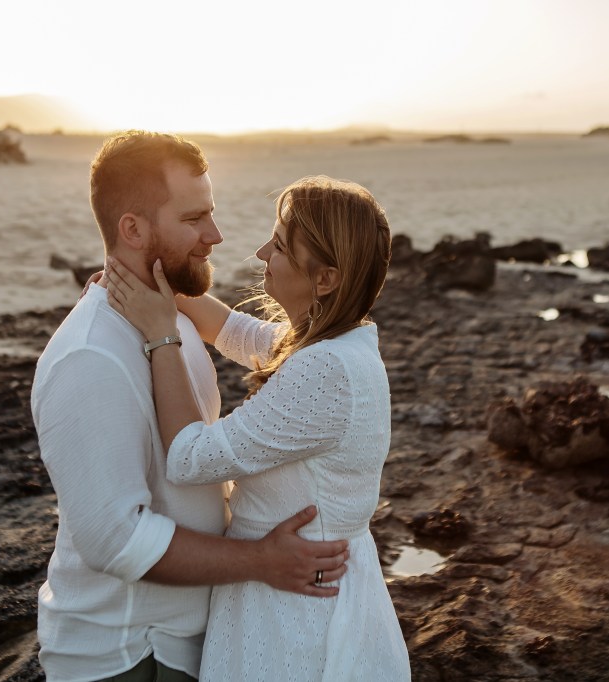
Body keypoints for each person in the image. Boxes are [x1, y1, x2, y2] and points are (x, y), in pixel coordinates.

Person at [30, 132, 350, 682]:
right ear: (133, 228)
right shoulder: (89, 357)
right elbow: (115, 540)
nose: (216, 236)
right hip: (127, 654)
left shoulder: (171, 319)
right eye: (195, 218)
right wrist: (262, 562)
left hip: (185, 640)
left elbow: (256, 338)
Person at [105, 175, 411, 680]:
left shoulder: (325, 371)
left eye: (282, 245)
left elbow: (188, 456)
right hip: (300, 583)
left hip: (296, 612)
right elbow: (233, 330)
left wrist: (161, 335)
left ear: (326, 279)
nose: (261, 250)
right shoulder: (334, 345)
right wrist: (159, 281)